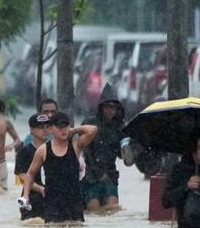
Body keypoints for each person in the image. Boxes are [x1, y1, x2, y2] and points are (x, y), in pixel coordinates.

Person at [20, 111, 98, 223]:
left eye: (66, 126)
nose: (64, 129)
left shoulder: (76, 146)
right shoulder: (43, 150)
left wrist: (73, 130)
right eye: (60, 127)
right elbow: (30, 174)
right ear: (51, 129)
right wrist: (26, 196)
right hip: (52, 204)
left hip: (74, 202)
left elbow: (93, 130)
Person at [81, 84, 126, 214]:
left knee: (112, 209)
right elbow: (84, 150)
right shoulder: (89, 123)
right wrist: (96, 171)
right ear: (101, 107)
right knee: (93, 210)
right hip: (91, 177)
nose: (110, 111)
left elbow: (123, 155)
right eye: (107, 107)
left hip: (109, 176)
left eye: (113, 107)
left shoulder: (119, 128)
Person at [15, 113, 49, 221]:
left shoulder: (55, 150)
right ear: (31, 130)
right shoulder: (24, 151)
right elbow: (22, 176)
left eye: (47, 127)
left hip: (51, 198)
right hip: (31, 198)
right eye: (40, 127)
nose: (44, 130)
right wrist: (40, 189)